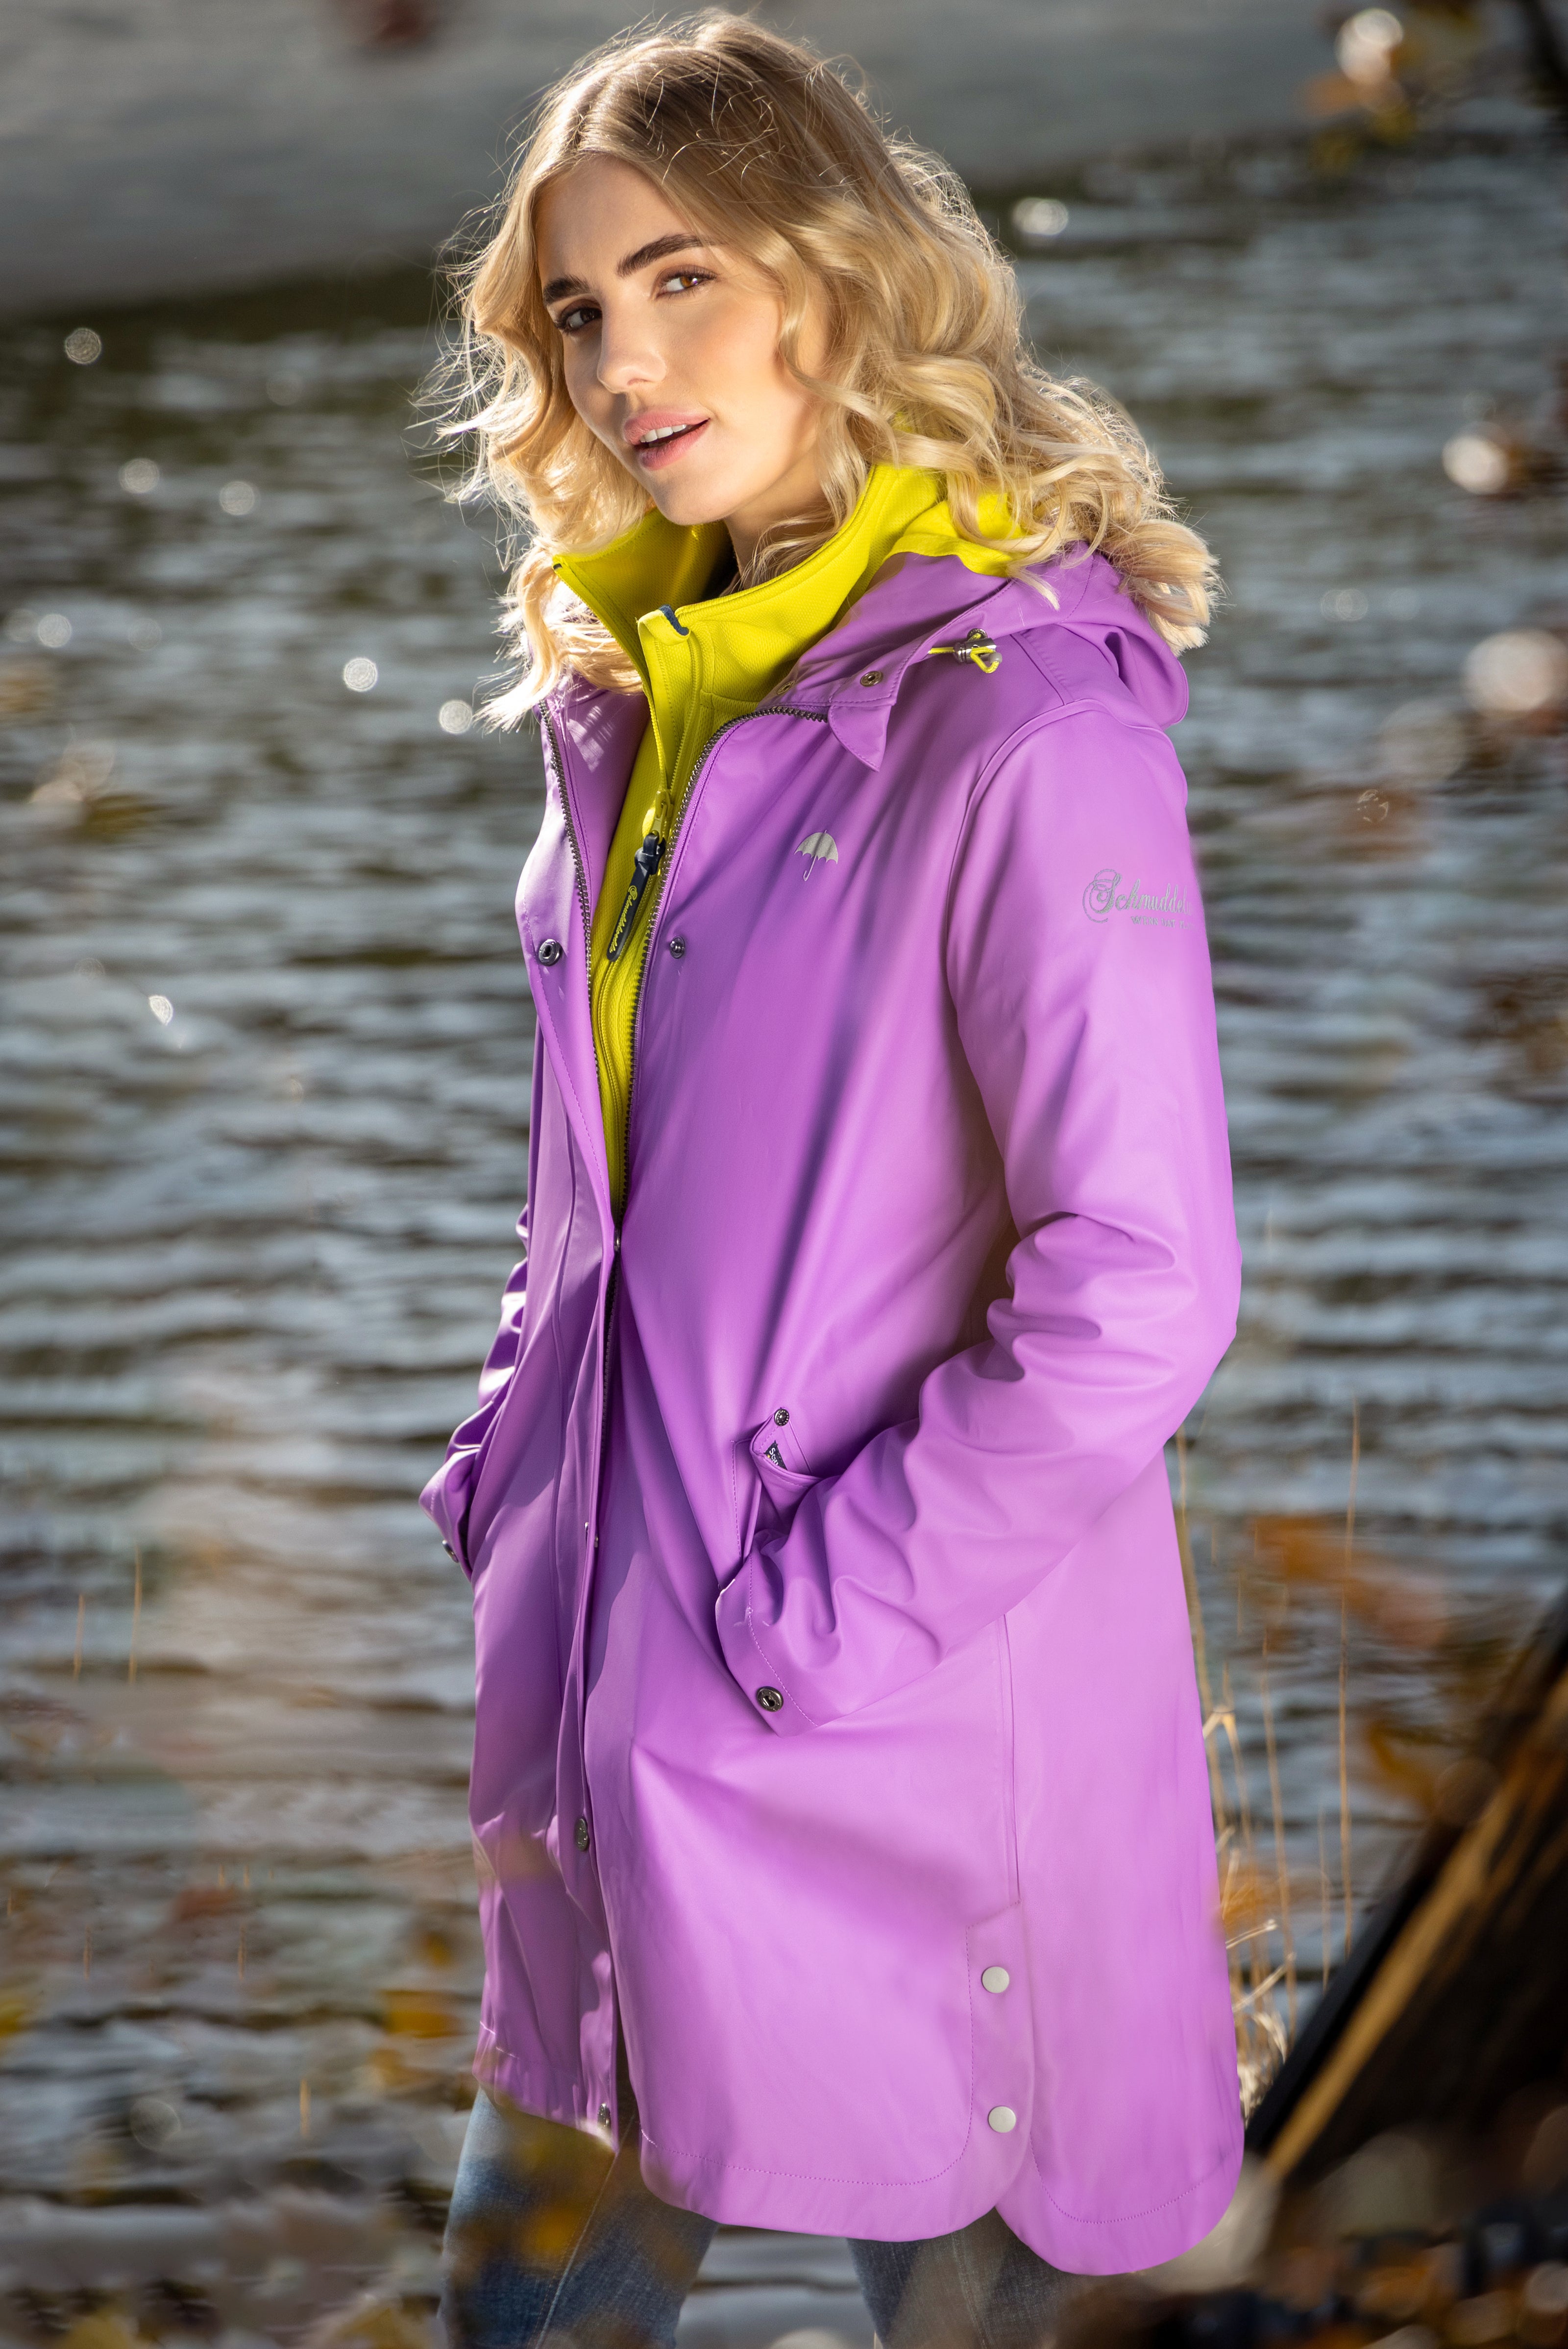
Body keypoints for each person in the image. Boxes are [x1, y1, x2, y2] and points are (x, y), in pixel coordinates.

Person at [424, 17, 1244, 2346]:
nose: (621, 364)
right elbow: (601, 1188)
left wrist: (794, 1630)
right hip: (615, 1720)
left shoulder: (1022, 721)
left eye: (680, 280)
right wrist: (514, 1472)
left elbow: (1136, 1282)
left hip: (898, 1745)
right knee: (513, 2316)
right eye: (578, 309)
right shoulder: (645, 695)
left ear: (833, 276)